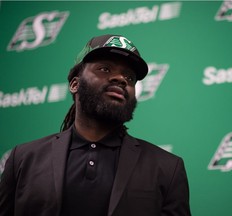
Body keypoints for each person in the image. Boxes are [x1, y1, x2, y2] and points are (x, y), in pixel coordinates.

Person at [0, 34, 191, 216]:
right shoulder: (23, 158)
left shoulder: (167, 168)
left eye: (130, 78)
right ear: (75, 84)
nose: (121, 79)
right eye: (105, 69)